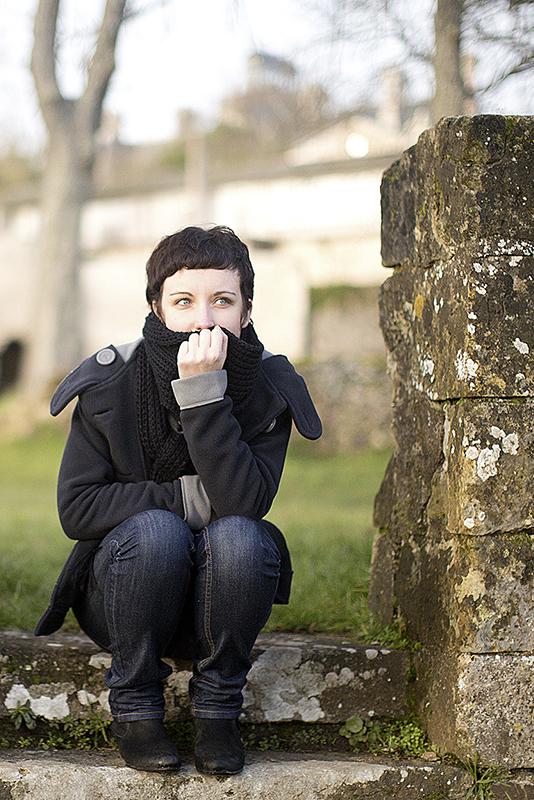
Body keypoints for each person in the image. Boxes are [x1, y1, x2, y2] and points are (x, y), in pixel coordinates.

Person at [34, 225, 322, 775]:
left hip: (223, 601)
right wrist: (188, 497)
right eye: (184, 301)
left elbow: (242, 503)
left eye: (222, 301)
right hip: (125, 595)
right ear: (157, 308)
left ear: (246, 311)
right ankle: (136, 703)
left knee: (242, 536)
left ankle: (217, 707)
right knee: (157, 533)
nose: (204, 319)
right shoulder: (109, 385)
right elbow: (78, 510)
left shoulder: (268, 389)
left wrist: (202, 394)